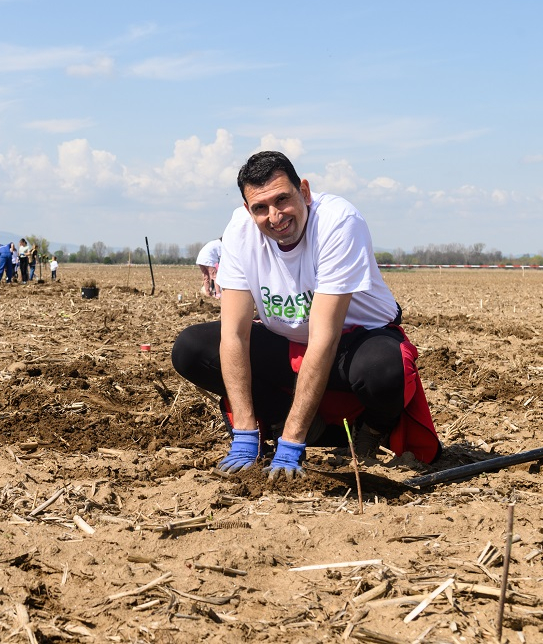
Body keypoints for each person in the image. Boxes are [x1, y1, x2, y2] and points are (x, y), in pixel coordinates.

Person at [171, 151, 441, 482]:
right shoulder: (240, 231)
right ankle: (275, 421)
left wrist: (292, 443)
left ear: (305, 192)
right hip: (287, 342)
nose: (274, 216)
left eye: (282, 199)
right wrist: (243, 433)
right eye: (260, 207)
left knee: (384, 369)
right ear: (247, 210)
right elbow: (235, 335)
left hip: (352, 342)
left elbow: (324, 336)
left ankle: (370, 431)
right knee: (191, 348)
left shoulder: (339, 222)